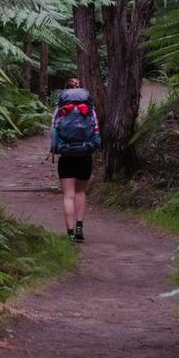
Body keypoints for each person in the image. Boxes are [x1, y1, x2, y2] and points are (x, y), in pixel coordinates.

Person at [52, 77, 100, 243]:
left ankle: (70, 233)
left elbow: (54, 131)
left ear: (65, 91)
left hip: (66, 156)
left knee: (68, 195)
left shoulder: (61, 109)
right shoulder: (89, 109)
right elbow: (95, 130)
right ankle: (80, 228)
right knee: (80, 192)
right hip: (84, 155)